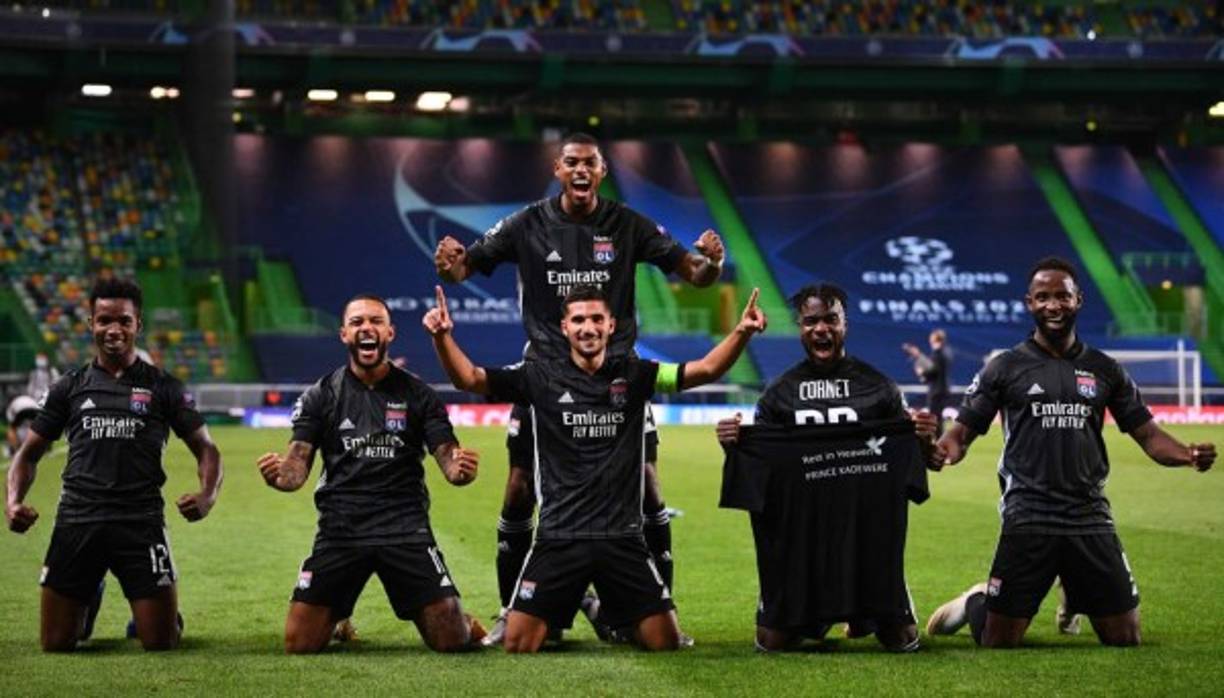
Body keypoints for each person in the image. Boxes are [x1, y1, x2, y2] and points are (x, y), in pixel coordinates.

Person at [433, 132, 725, 644]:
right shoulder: (527, 223)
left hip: (619, 377)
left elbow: (695, 273)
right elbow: (462, 269)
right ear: (558, 169)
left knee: (647, 484)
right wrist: (450, 263)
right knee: (520, 488)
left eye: (590, 162)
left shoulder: (628, 224)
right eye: (572, 162)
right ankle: (515, 608)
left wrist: (712, 263)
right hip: (543, 376)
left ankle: (647, 610)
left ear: (603, 170)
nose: (581, 170)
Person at [423, 283, 766, 652]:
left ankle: (601, 608)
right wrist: (442, 337)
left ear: (611, 326)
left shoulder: (637, 376)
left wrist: (742, 331)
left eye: (596, 319)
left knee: (664, 642)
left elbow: (706, 369)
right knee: (519, 644)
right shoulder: (536, 377)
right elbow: (470, 379)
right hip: (559, 538)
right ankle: (580, 600)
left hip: (622, 539)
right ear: (565, 327)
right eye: (579, 319)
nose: (588, 327)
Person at [926, 256, 1216, 648]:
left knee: (1125, 637)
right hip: (1028, 515)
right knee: (998, 642)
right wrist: (941, 451)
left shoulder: (1105, 369)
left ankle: (1074, 588)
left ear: (1078, 300)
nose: (1053, 305)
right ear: (1029, 303)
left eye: (1062, 296)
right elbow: (960, 434)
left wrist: (1188, 454)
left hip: (1088, 515)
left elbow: (1147, 435)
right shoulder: (1004, 368)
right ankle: (976, 599)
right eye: (1042, 297)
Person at [716, 283, 940, 652]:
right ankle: (820, 611)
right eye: (811, 321)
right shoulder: (778, 395)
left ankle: (875, 598)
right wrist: (734, 444)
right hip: (801, 533)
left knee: (901, 641)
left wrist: (924, 440)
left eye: (831, 319)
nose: (821, 328)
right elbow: (762, 471)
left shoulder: (880, 388)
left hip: (866, 530)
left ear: (845, 324)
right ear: (800, 327)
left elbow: (920, 462)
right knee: (772, 642)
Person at [257, 294, 485, 654]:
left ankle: (462, 618)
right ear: (344, 334)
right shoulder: (321, 394)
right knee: (298, 645)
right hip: (341, 529)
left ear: (390, 333)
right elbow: (296, 466)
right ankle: (336, 617)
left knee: (452, 640)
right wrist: (279, 475)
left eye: (376, 321)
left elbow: (448, 457)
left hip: (405, 528)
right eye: (358, 322)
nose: (367, 328)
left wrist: (460, 469)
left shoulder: (419, 394)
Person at [5, 277, 223, 652]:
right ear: (91, 324)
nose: (114, 330)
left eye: (123, 320)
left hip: (140, 522)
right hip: (78, 519)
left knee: (160, 642)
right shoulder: (69, 388)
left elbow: (207, 449)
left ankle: (165, 615)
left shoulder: (163, 387)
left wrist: (206, 496)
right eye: (104, 320)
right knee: (56, 645)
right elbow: (28, 454)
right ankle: (90, 595)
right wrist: (12, 501)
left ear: (138, 324)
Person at [902, 328, 952, 436]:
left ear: (934, 339)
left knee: (935, 417)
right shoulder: (944, 353)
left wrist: (922, 373)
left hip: (936, 390)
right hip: (942, 389)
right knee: (937, 417)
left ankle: (938, 439)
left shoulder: (937, 354)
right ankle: (939, 438)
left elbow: (933, 370)